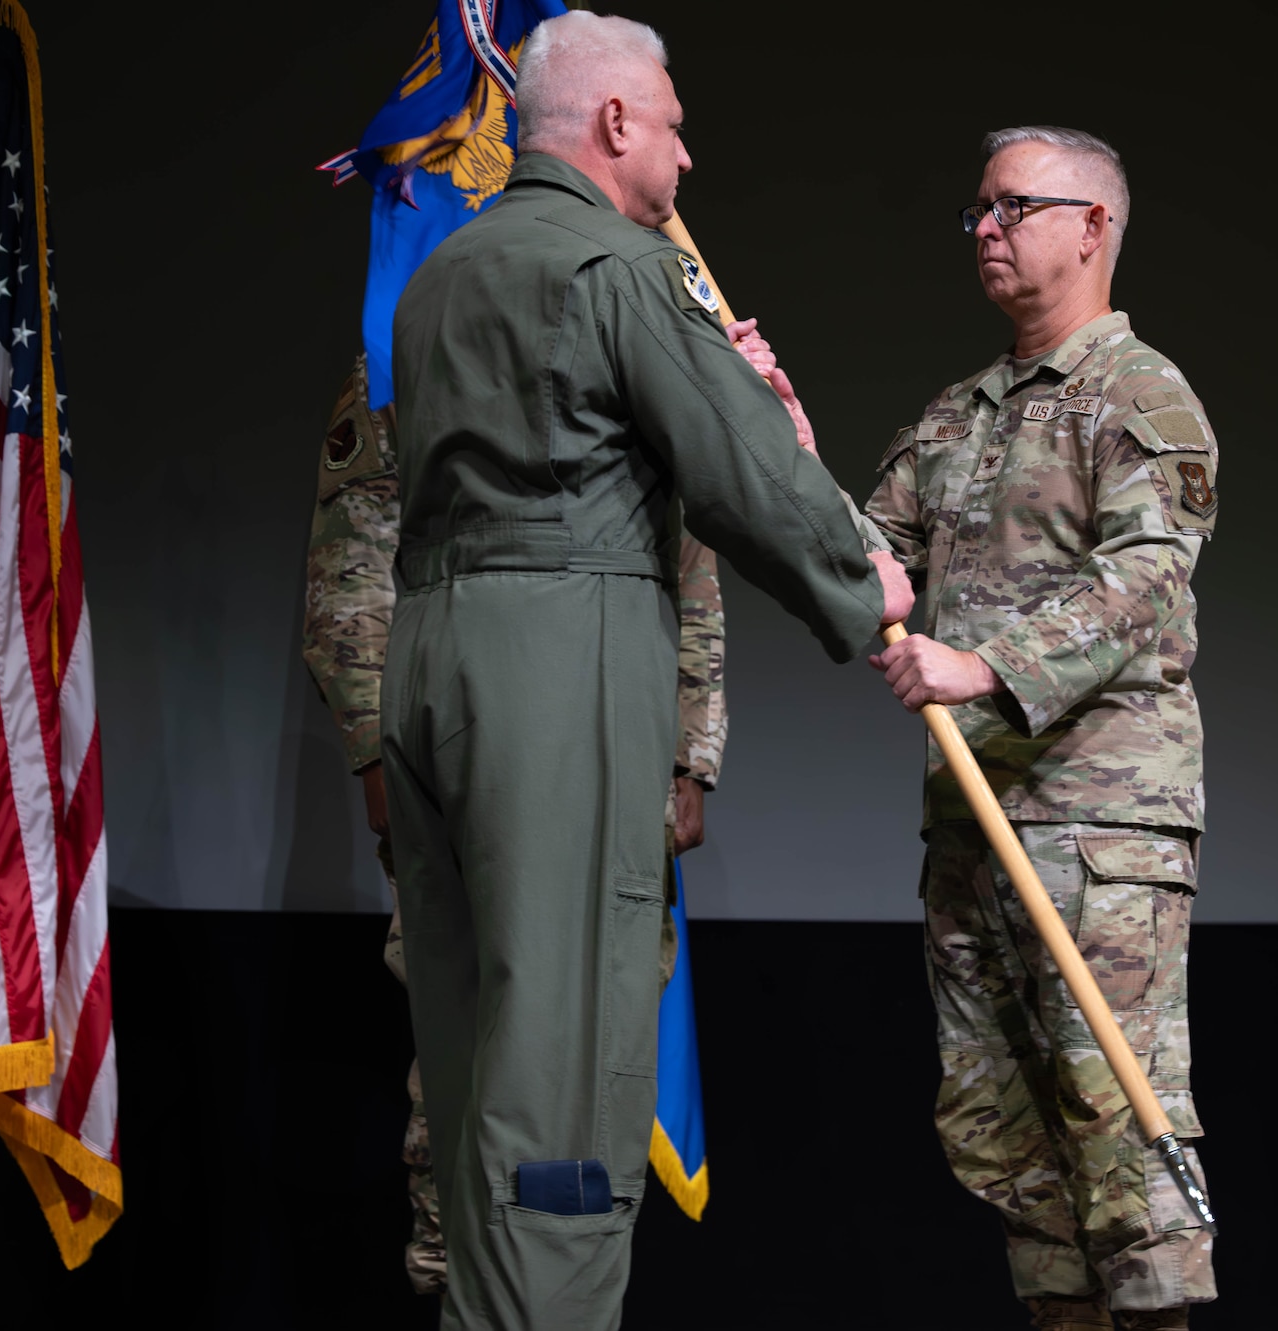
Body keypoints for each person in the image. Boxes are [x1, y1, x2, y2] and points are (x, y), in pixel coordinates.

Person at [379, 11, 912, 1329]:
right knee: (565, 1067)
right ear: (615, 123)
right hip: (559, 663)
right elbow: (743, 475)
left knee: (474, 1052)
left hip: (433, 654)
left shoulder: (446, 272)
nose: (686, 153)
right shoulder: (620, 268)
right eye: (672, 123)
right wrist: (870, 581)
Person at [864, 125, 1221, 1330]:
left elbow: (1140, 582)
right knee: (1002, 1133)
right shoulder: (957, 415)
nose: (984, 228)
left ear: (1091, 226)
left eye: (1011, 206)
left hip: (1095, 823)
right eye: (976, 209)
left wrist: (983, 663)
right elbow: (866, 560)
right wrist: (775, 436)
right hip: (973, 821)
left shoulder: (1138, 394)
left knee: (1117, 1129)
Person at [300, 357, 733, 1298]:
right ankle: (460, 1279)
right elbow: (353, 567)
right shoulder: (400, 358)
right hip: (465, 757)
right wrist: (377, 750)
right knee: (474, 1054)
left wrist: (689, 754)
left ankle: (564, 1293)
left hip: (612, 761)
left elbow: (687, 566)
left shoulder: (624, 350)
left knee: (603, 1060)